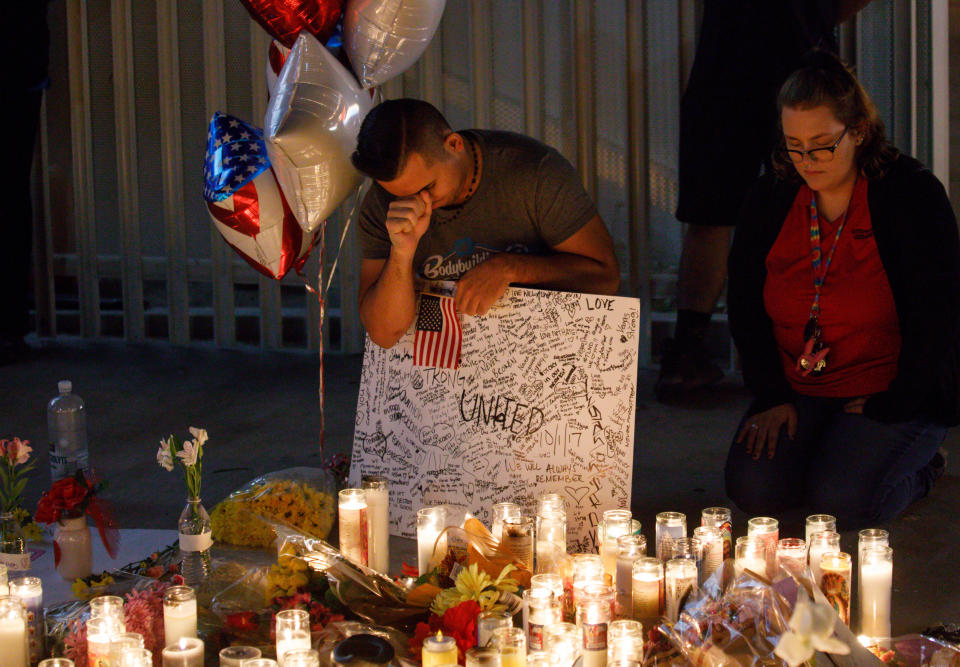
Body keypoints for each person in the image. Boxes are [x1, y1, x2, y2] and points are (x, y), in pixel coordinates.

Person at [725, 51, 957, 528]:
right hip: (801, 381)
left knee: (842, 505)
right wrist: (771, 394)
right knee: (755, 491)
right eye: (794, 146)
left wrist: (902, 399)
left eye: (822, 145)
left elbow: (939, 313)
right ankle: (836, 452)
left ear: (858, 132)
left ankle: (922, 463)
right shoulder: (772, 198)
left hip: (889, 386)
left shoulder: (909, 195)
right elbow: (745, 302)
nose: (807, 161)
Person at [659, 0, 874, 400]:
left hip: (722, 71)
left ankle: (687, 355)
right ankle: (818, 355)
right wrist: (818, 15)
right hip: (799, 65)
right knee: (818, 204)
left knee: (710, 216)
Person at [351, 98, 620, 349]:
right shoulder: (383, 206)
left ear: (454, 144)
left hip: (548, 353)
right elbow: (385, 334)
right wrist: (402, 252)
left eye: (428, 187)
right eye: (401, 194)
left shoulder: (534, 173)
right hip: (443, 370)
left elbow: (605, 278)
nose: (421, 203)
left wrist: (511, 268)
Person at [0, 1, 51, 364]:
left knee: (10, 196)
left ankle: (9, 327)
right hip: (19, 63)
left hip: (18, 65)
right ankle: (9, 328)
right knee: (10, 196)